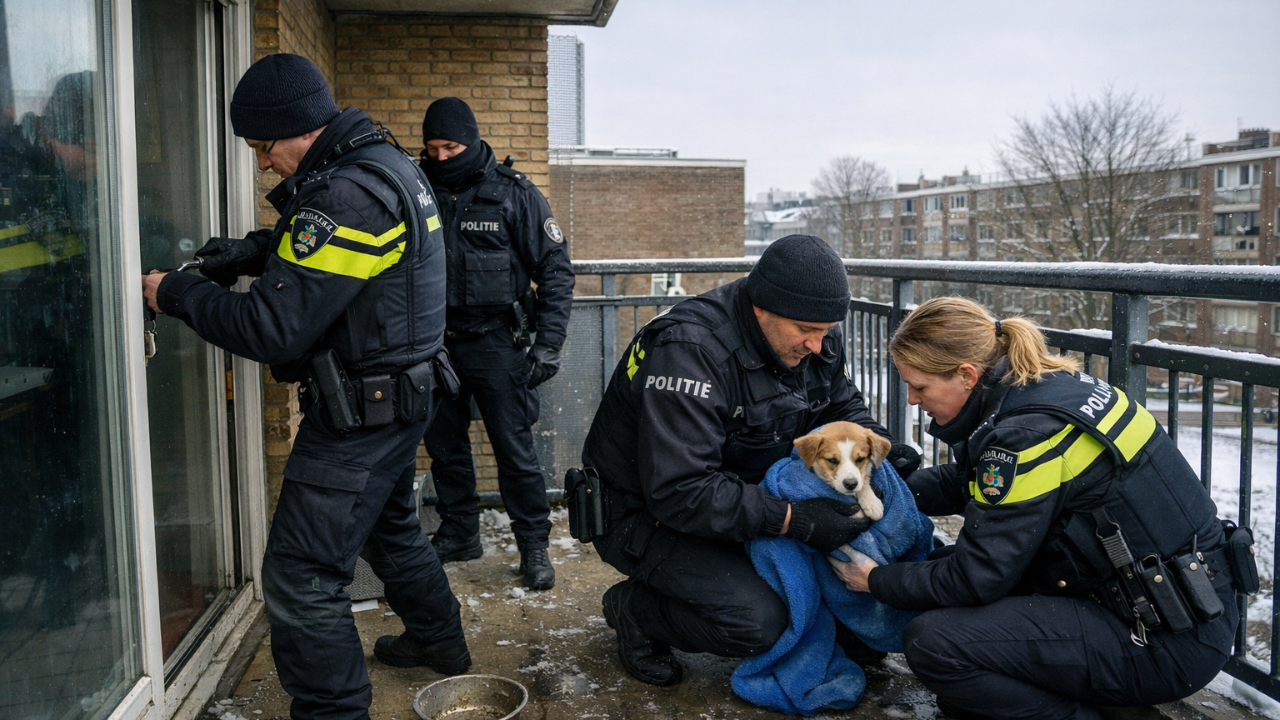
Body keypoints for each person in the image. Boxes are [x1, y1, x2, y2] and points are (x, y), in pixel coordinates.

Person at [140, 54, 469, 720]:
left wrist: (178, 293)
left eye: (263, 148)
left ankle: (332, 712)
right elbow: (340, 254)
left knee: (298, 578)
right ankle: (444, 646)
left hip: (361, 416)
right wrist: (251, 252)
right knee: (392, 531)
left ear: (297, 130)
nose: (262, 164)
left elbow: (271, 328)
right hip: (401, 397)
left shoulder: (346, 193)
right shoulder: (386, 165)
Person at [834, 297, 1240, 720]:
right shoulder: (1048, 389)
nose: (914, 401)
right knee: (934, 577)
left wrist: (875, 579)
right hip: (1178, 607)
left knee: (934, 642)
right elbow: (972, 485)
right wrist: (876, 488)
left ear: (967, 375)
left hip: (1162, 638)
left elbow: (976, 579)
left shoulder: (1024, 434)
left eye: (920, 387)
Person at [581, 234, 921, 686]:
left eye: (826, 331)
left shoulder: (812, 336)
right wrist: (794, 521)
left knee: (852, 620)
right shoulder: (691, 351)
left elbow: (841, 410)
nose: (817, 345)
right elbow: (680, 491)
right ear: (761, 308)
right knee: (761, 622)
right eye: (806, 331)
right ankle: (637, 612)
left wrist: (880, 444)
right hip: (647, 516)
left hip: (743, 499)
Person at [416, 97, 574, 590]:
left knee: (515, 452)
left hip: (497, 343)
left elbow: (555, 271)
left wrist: (547, 345)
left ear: (472, 139)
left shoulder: (514, 194)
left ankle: (532, 545)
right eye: (432, 148)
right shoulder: (415, 190)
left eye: (450, 146)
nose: (441, 157)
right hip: (435, 345)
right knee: (445, 448)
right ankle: (460, 531)